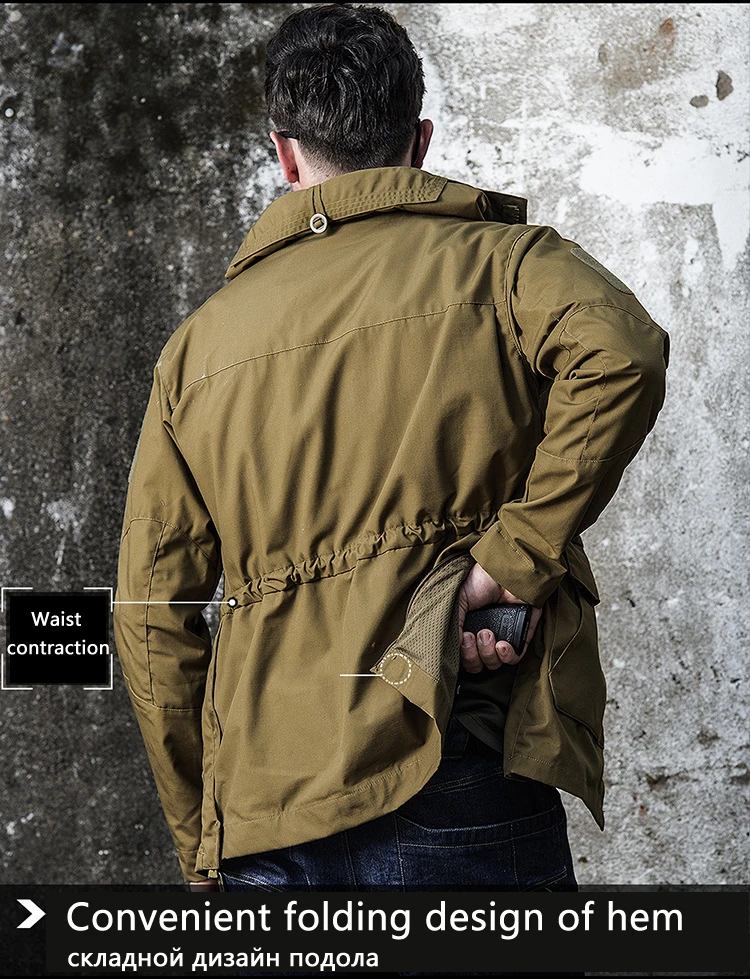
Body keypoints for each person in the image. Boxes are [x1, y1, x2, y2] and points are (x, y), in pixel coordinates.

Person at [113, 3, 669, 897]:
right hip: (452, 763)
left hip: (264, 808)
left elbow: (150, 617)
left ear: (285, 153)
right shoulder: (506, 265)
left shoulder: (197, 351)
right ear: (419, 138)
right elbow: (624, 352)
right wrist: (512, 559)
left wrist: (203, 838)